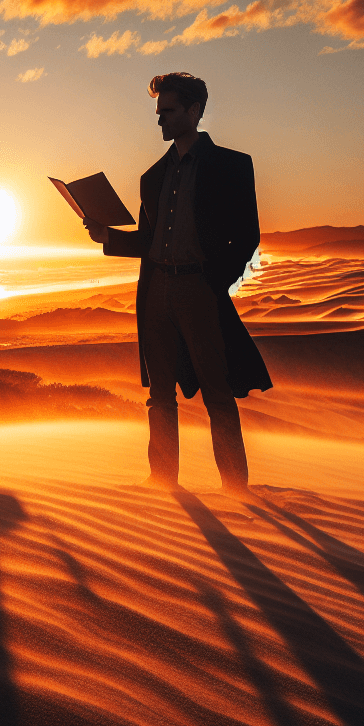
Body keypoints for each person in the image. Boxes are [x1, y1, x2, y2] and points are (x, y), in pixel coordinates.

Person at [86, 71, 271, 495]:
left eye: (168, 111)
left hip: (199, 290)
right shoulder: (151, 177)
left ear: (195, 111)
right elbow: (149, 242)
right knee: (160, 396)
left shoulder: (233, 164)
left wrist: (213, 283)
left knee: (218, 395)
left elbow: (246, 235)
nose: (159, 121)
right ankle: (162, 482)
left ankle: (235, 488)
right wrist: (108, 236)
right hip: (155, 294)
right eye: (157, 112)